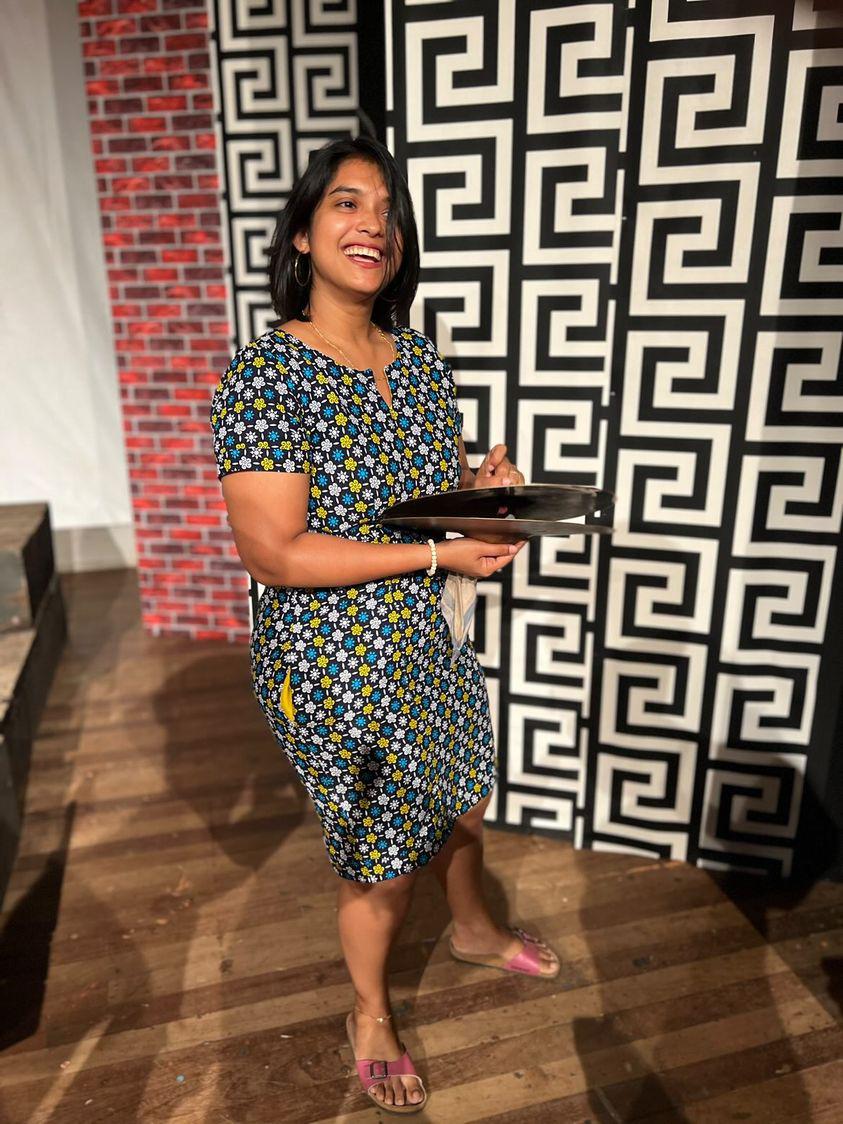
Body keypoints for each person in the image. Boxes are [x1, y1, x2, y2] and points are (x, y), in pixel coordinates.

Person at [210, 135, 560, 1114]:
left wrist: (483, 494)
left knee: (464, 795)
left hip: (424, 632)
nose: (374, 224)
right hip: (331, 657)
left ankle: (474, 928)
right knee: (384, 856)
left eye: (388, 210)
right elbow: (275, 554)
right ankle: (369, 1013)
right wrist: (438, 555)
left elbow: (418, 506)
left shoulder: (418, 361)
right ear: (301, 234)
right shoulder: (267, 375)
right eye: (347, 203)